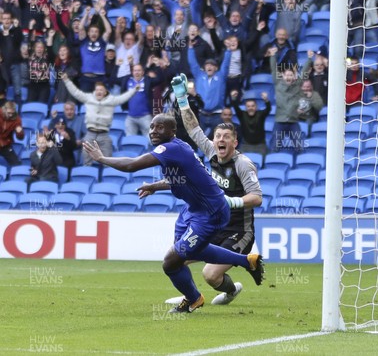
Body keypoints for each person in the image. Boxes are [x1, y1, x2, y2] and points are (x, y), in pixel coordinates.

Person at [82, 110, 264, 314]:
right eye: (151, 127)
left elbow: (132, 165)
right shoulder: (177, 149)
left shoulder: (171, 149)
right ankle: (246, 261)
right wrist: (154, 186)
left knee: (171, 262)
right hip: (192, 209)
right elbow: (182, 179)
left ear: (173, 131)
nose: (153, 131)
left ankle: (193, 299)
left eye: (160, 127)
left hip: (209, 213)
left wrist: (102, 158)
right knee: (186, 254)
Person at [173, 73, 263, 305]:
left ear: (235, 142)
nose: (221, 140)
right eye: (218, 136)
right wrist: (183, 99)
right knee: (176, 258)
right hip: (213, 224)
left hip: (238, 230)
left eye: (226, 137)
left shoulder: (243, 164)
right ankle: (191, 296)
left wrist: (233, 202)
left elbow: (257, 198)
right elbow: (193, 129)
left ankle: (232, 291)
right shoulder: (212, 152)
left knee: (210, 274)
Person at [63, 75, 139, 166]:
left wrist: (134, 90)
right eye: (97, 89)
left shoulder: (111, 100)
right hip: (90, 134)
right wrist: (66, 80)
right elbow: (75, 92)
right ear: (95, 91)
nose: (99, 91)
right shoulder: (88, 98)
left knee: (108, 163)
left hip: (104, 135)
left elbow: (123, 97)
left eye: (101, 90)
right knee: (86, 162)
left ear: (105, 92)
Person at [231, 90, 271, 156]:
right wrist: (233, 98)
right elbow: (235, 107)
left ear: (256, 107)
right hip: (246, 145)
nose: (250, 108)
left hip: (260, 145)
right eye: (248, 106)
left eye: (252, 106)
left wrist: (266, 100)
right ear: (246, 108)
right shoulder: (242, 115)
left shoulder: (261, 114)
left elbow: (268, 109)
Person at [0, 101, 24, 165]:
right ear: (4, 110)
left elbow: (21, 138)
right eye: (9, 113)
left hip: (5, 144)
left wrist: (20, 132)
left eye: (12, 113)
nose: (10, 115)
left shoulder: (17, 119)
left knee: (17, 164)